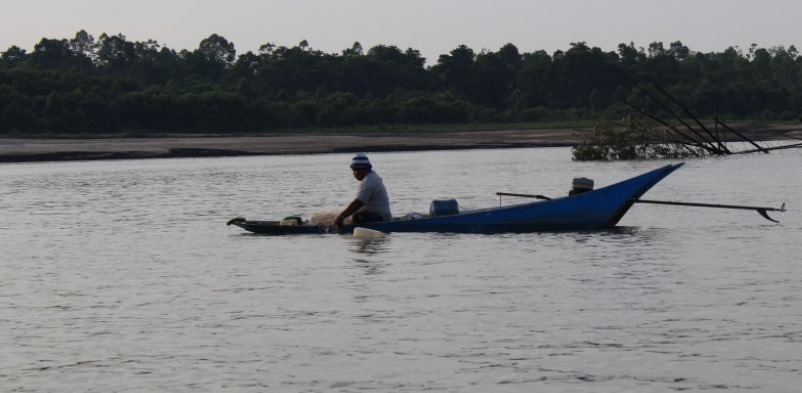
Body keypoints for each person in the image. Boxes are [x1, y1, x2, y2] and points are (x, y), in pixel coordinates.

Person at [335, 153, 392, 227]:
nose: (354, 174)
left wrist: (341, 217)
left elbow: (357, 203)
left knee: (357, 217)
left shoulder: (369, 182)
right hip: (376, 216)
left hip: (379, 218)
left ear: (361, 170)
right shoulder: (372, 176)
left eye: (354, 170)